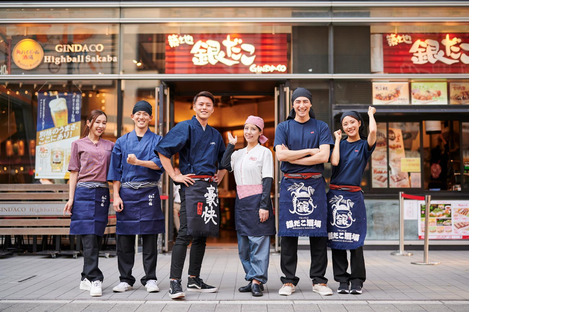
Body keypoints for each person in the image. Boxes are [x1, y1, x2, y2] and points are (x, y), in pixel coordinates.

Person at [154, 91, 227, 299]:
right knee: (185, 233)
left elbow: (224, 161)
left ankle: (194, 278)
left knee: (201, 234)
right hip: (191, 184)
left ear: (213, 109)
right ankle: (174, 282)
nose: (204, 107)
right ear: (194, 107)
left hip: (209, 188)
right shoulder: (185, 127)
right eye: (201, 104)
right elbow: (163, 151)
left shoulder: (214, 134)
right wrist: (174, 176)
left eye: (208, 105)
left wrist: (220, 175)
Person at [273, 87, 334, 296]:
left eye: (305, 102)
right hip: (290, 184)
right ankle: (288, 281)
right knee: (289, 234)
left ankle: (319, 281)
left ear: (310, 104)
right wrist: (309, 151)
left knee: (318, 234)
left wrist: (293, 157)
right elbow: (281, 156)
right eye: (297, 101)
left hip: (315, 184)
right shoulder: (284, 127)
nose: (301, 105)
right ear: (292, 104)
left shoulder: (321, 126)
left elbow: (324, 157)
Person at [107, 100, 164, 294]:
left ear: (150, 118)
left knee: (149, 237)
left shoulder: (157, 140)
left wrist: (138, 162)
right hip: (127, 193)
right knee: (125, 238)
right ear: (132, 117)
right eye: (138, 114)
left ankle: (150, 278)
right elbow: (115, 172)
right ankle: (125, 279)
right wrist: (116, 196)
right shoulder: (122, 141)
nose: (141, 117)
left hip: (149, 191)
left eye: (145, 114)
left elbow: (160, 164)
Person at [220, 116, 275, 297]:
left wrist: (264, 205)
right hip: (242, 201)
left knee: (258, 242)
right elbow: (224, 165)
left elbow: (267, 180)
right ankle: (251, 277)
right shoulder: (238, 153)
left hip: (258, 199)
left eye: (253, 129)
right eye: (246, 128)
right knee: (243, 245)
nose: (248, 132)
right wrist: (230, 145)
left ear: (260, 132)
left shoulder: (264, 152)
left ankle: (258, 281)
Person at [63, 109, 115, 297]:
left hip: (101, 191)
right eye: (97, 122)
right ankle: (95, 279)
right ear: (89, 123)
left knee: (96, 234)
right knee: (88, 235)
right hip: (83, 191)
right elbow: (74, 172)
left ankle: (85, 277)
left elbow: (115, 171)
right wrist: (71, 198)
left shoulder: (110, 145)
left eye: (104, 122)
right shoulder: (77, 144)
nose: (101, 126)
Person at [327, 107, 377, 295]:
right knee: (337, 239)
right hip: (335, 194)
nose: (349, 126)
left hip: (354, 195)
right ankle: (342, 280)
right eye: (345, 123)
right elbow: (335, 162)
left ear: (359, 123)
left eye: (352, 122)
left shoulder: (364, 145)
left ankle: (357, 280)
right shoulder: (338, 143)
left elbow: (372, 132)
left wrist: (371, 114)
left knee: (355, 239)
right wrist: (338, 140)